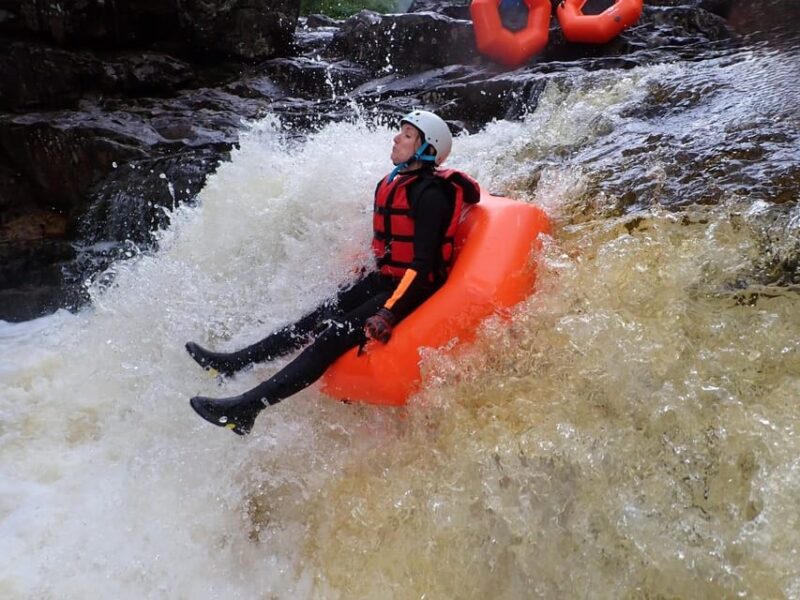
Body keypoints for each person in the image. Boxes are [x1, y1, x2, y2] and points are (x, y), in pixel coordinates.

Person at [187, 110, 480, 435]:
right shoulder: (396, 182)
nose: (397, 138)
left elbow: (421, 266)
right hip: (386, 279)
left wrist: (386, 313)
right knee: (313, 318)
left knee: (330, 338)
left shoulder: (432, 195)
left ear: (427, 149)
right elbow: (391, 245)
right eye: (401, 131)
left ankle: (247, 409)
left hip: (411, 289)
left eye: (408, 135)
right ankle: (234, 364)